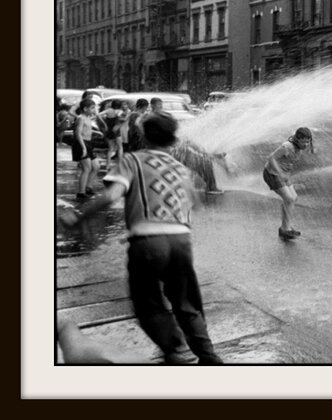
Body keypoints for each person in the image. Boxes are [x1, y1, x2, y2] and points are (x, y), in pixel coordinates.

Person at [59, 112, 224, 365]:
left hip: (147, 241)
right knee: (187, 304)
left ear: (144, 136)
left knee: (148, 304)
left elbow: (111, 195)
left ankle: (176, 348)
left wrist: (79, 219)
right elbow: (196, 204)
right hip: (181, 240)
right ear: (172, 139)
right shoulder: (179, 167)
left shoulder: (133, 160)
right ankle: (209, 358)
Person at [262, 127, 314, 241]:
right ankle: (285, 229)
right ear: (297, 139)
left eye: (308, 141)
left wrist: (284, 174)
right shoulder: (287, 147)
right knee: (289, 199)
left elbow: (287, 162)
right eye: (303, 141)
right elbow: (271, 158)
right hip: (272, 174)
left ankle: (286, 227)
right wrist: (280, 173)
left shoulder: (299, 148)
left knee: (293, 198)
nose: (306, 144)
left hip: (283, 175)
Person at [71, 98, 102, 200]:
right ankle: (81, 192)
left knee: (96, 166)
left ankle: (88, 187)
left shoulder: (88, 117)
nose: (94, 110)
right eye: (92, 108)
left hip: (88, 143)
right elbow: (77, 134)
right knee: (86, 168)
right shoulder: (81, 118)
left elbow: (90, 127)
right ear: (85, 109)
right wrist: (83, 148)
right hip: (81, 144)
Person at [99, 99, 124, 166]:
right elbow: (120, 117)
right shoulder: (120, 111)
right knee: (120, 147)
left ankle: (108, 165)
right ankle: (120, 164)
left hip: (109, 130)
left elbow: (98, 115)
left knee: (110, 149)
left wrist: (104, 123)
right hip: (116, 131)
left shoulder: (108, 111)